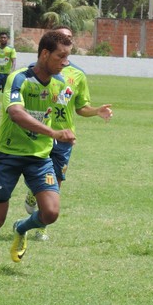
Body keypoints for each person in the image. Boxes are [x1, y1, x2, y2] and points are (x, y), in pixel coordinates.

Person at [0, 30, 76, 272]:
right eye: (61, 56)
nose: (65, 62)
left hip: (39, 157)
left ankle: (21, 227)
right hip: (7, 155)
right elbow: (15, 113)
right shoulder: (19, 79)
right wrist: (53, 133)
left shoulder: (60, 84)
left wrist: (66, 134)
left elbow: (57, 116)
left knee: (51, 213)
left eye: (68, 57)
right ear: (45, 53)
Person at [23, 25, 113, 241]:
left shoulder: (78, 75)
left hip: (64, 137)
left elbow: (81, 107)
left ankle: (41, 227)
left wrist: (97, 111)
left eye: (69, 38)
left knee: (56, 181)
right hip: (42, 133)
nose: (66, 40)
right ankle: (33, 191)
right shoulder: (35, 69)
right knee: (36, 177)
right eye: (62, 37)